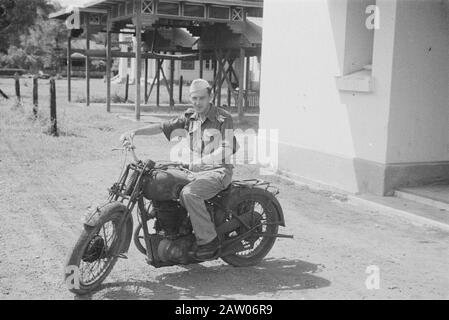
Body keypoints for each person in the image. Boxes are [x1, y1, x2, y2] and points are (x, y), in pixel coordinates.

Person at [120, 79, 238, 260]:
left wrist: (203, 161)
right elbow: (162, 127)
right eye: (194, 98)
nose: (197, 102)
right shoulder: (190, 116)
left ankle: (208, 240)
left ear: (210, 97)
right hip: (192, 169)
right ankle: (172, 228)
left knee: (189, 194)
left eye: (202, 98)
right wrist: (134, 132)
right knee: (159, 178)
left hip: (218, 171)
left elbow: (227, 148)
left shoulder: (223, 118)